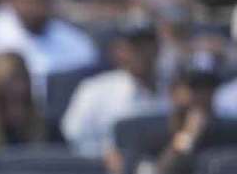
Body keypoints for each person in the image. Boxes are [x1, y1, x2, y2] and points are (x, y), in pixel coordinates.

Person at [114, 51, 230, 174]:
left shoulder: (229, 131)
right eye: (193, 87)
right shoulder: (142, 131)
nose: (201, 95)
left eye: (208, 87)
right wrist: (187, 137)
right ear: (173, 91)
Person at [61, 15, 166, 158]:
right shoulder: (94, 90)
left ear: (158, 49)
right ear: (119, 51)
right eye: (134, 47)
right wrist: (104, 154)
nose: (142, 53)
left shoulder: (175, 91)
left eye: (147, 45)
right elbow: (73, 137)